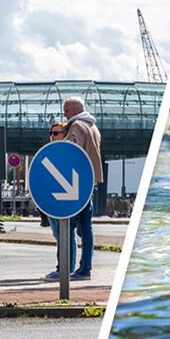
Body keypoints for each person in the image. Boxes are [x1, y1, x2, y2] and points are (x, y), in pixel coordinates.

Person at [46, 100, 103, 281]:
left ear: (77, 109)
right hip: (89, 181)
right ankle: (85, 269)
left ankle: (65, 269)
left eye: (67, 110)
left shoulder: (77, 125)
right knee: (86, 228)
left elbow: (69, 150)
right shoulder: (93, 127)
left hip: (73, 182)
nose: (65, 114)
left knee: (67, 226)